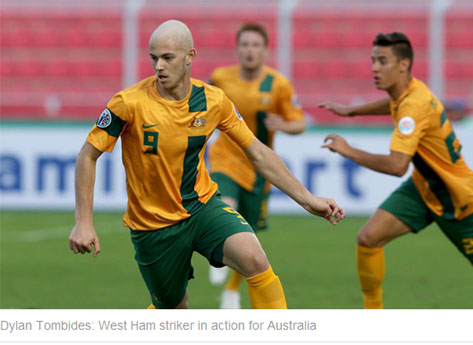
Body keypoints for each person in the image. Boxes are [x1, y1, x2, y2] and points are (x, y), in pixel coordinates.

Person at [68, 20, 344, 310]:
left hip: (201, 208)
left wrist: (307, 199)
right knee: (175, 311)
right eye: (154, 58)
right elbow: (87, 156)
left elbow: (257, 152)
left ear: (190, 56)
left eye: (168, 58)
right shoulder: (128, 103)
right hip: (153, 226)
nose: (159, 66)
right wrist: (83, 223)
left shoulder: (213, 100)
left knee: (255, 259)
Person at [319, 32, 473, 309]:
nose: (375, 67)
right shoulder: (409, 92)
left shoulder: (413, 108)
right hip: (424, 187)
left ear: (403, 65)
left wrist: (348, 150)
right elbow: (393, 105)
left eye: (383, 61)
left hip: (458, 198)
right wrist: (351, 112)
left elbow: (397, 166)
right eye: (373, 60)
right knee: (368, 239)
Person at [206, 22, 306, 309]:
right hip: (225, 155)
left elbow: (299, 123)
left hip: (259, 165)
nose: (250, 50)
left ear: (265, 50)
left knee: (249, 234)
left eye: (255, 45)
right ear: (238, 49)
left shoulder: (278, 84)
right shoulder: (221, 77)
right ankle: (218, 254)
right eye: (245, 44)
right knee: (226, 204)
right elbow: (202, 104)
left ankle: (232, 289)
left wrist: (284, 125)